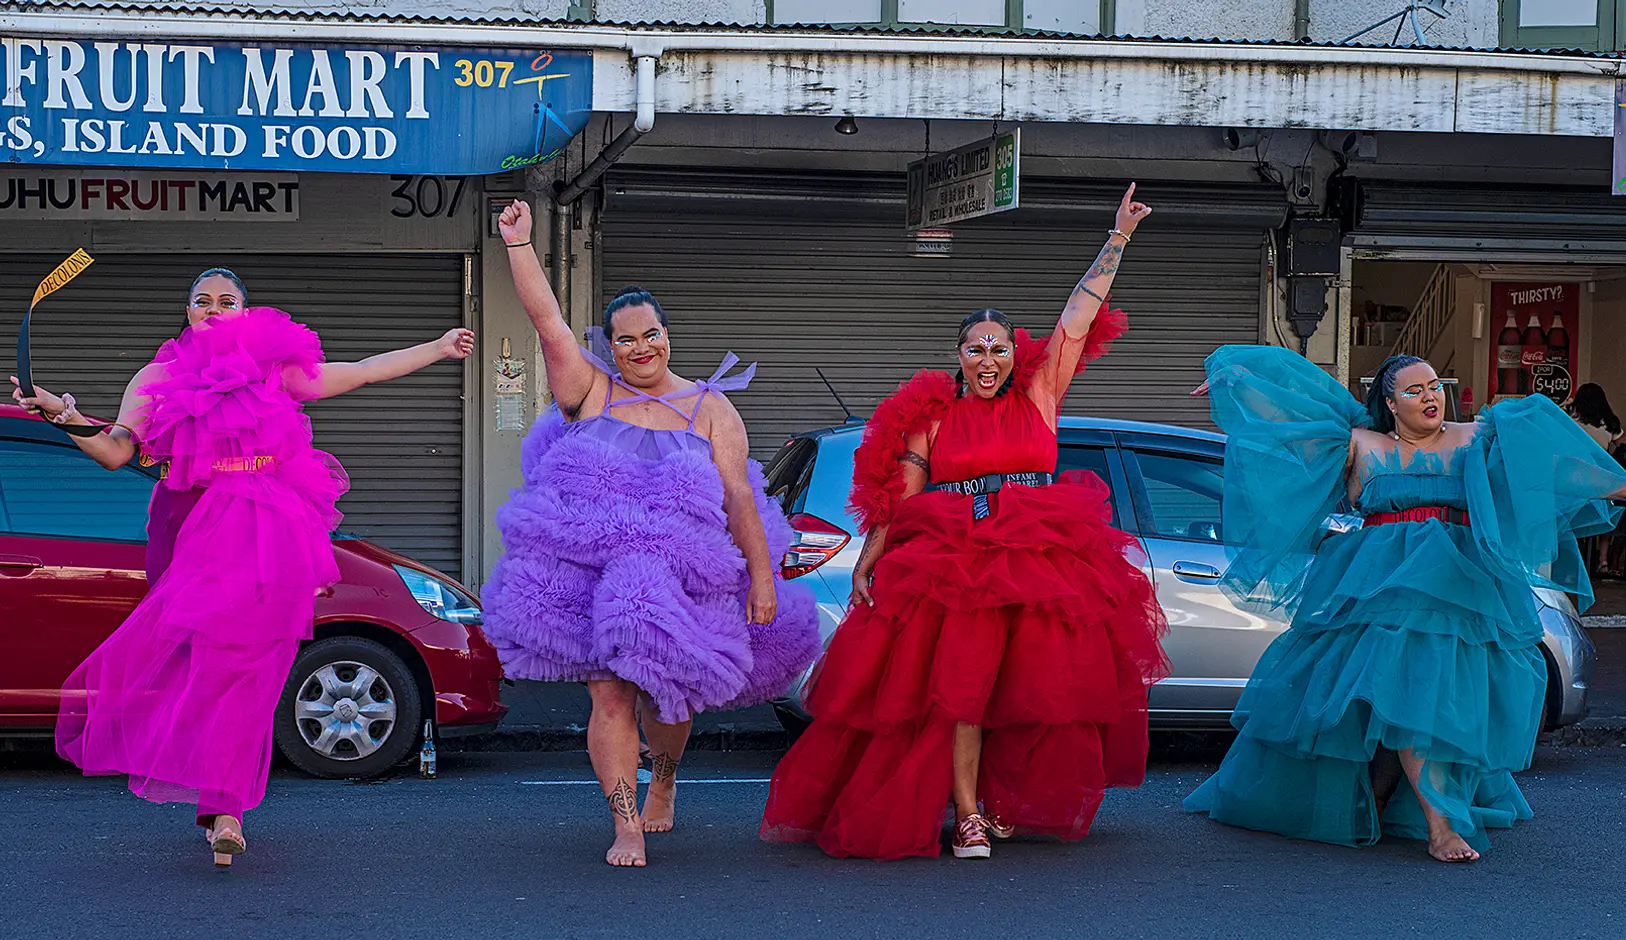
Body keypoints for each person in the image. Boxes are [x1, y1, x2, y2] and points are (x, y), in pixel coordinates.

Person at [10, 267, 474, 867]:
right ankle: (216, 798)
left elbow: (360, 371)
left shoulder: (274, 370)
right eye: (201, 300)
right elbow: (116, 450)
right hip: (189, 528)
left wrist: (437, 347)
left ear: (245, 313)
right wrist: (61, 415)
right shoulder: (157, 376)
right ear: (187, 313)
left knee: (246, 669)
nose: (213, 308)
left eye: (227, 300)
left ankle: (225, 809)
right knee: (207, 671)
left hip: (262, 530)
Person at [760, 185, 1169, 860]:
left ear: (1015, 354)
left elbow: (1078, 316)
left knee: (1031, 691)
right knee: (962, 693)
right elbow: (902, 496)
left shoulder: (1041, 393)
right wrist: (870, 559)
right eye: (975, 349)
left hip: (1039, 560)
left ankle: (1001, 800)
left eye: (998, 348)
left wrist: (1117, 238)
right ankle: (970, 815)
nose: (987, 360)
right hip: (957, 562)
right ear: (958, 355)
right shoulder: (935, 417)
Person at [1183, 350, 1626, 862]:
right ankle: (1437, 825)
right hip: (1380, 587)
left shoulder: (1477, 437)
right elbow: (1285, 429)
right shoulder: (1358, 443)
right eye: (1414, 391)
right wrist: (1238, 384)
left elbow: (1552, 465)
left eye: (1434, 386)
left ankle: (1399, 805)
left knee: (1432, 698)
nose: (1430, 397)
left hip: (1458, 586)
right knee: (1404, 694)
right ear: (1390, 404)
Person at [481, 200, 818, 868]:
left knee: (670, 695)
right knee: (610, 696)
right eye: (627, 339)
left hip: (684, 574)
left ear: (668, 334)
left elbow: (739, 497)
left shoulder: (710, 408)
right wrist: (518, 244)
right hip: (593, 576)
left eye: (652, 334)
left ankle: (663, 781)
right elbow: (547, 323)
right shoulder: (590, 391)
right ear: (609, 346)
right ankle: (626, 822)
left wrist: (761, 577)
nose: (642, 348)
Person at [1567, 382, 1621, 451]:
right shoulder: (1609, 422)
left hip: (1572, 455)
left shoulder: (1569, 418)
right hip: (1598, 457)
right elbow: (1624, 444)